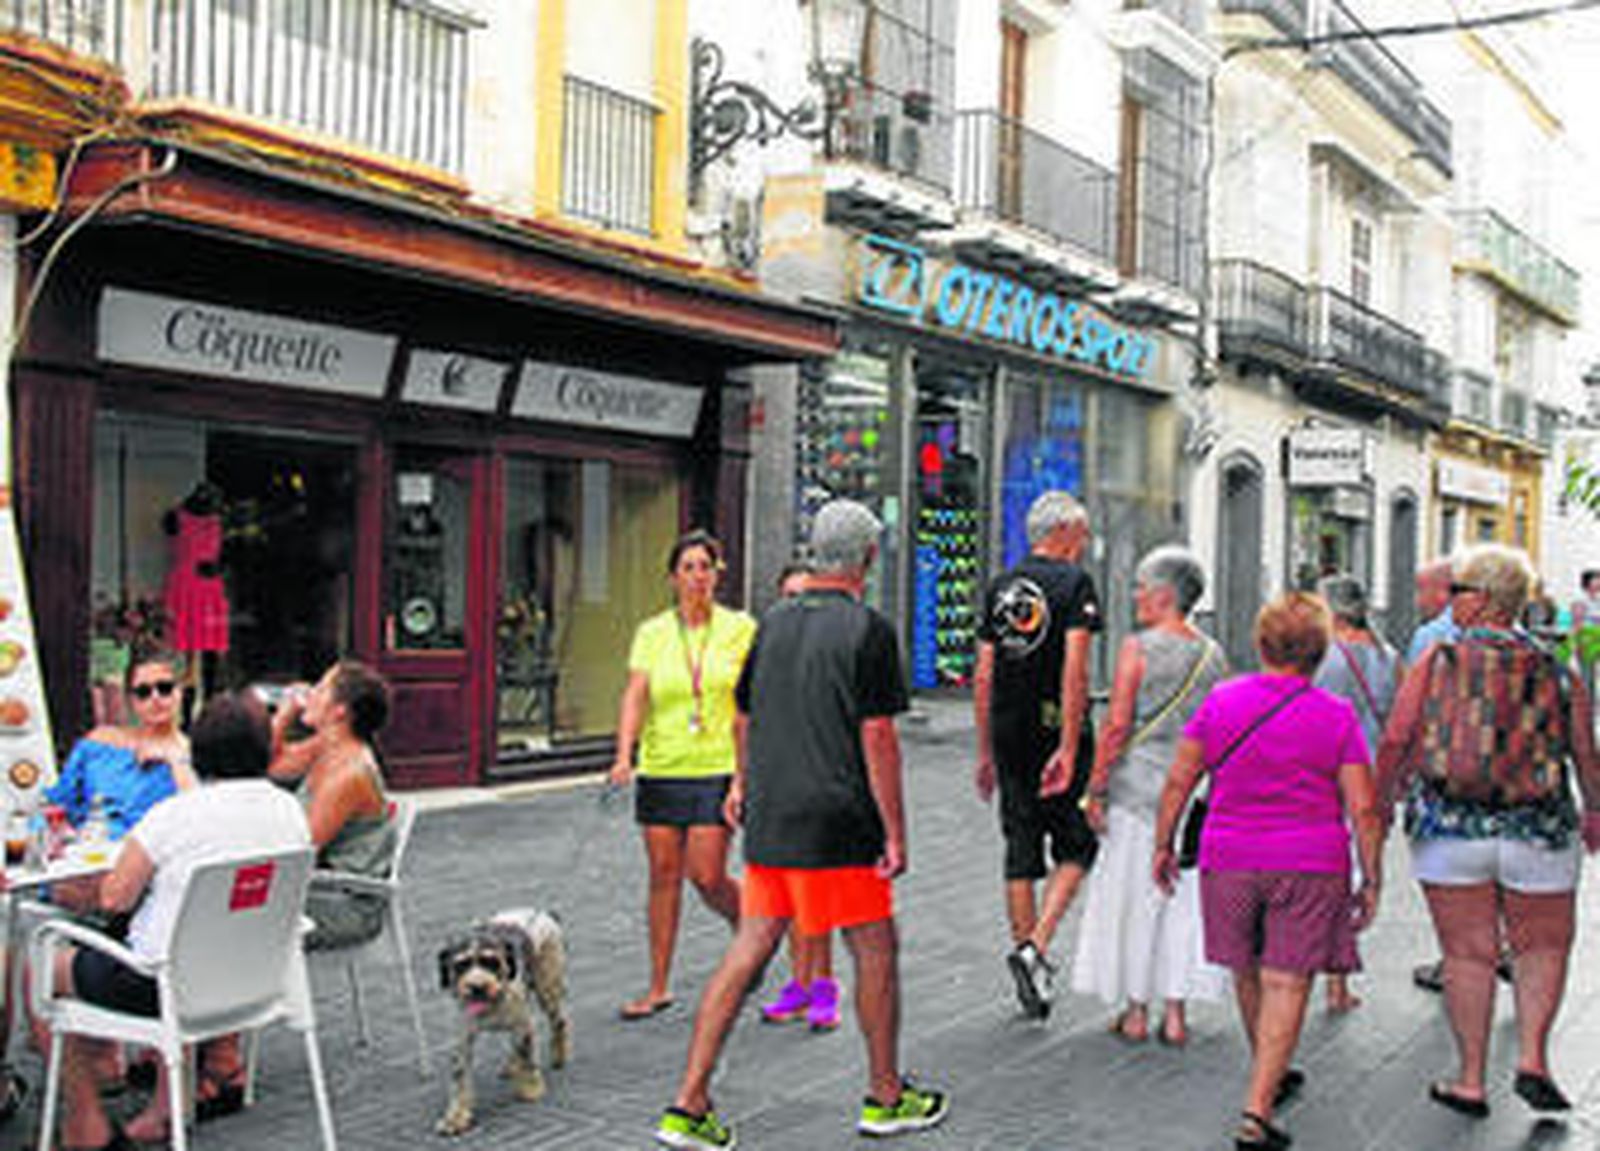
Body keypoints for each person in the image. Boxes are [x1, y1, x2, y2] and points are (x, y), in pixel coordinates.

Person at [654, 500, 948, 1150]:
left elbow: (743, 717)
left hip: (775, 814)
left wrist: (743, 784)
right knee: (875, 949)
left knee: (749, 947)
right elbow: (878, 737)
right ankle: (886, 1095)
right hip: (839, 818)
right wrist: (895, 832)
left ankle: (688, 1102)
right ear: (867, 557)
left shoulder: (773, 623)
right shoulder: (869, 630)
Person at [1376, 544, 1600, 1119]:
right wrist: (1594, 810)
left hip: (1451, 828)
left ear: (1481, 599)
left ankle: (1471, 1080)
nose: (1452, 601)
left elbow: (1397, 736)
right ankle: (1532, 1058)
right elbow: (1584, 750)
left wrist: (1379, 801)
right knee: (1543, 946)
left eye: (1458, 591)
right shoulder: (1557, 667)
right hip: (1540, 828)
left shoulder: (1438, 659)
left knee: (1467, 954)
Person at [1153, 593, 1381, 1151]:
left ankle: (1268, 1069)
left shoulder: (1221, 702)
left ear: (1261, 644)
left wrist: (1163, 843)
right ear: (1320, 652)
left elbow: (1180, 779)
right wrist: (1372, 876)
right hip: (1309, 863)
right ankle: (1257, 1108)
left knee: (1248, 968)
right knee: (1289, 979)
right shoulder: (1335, 715)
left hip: (1229, 858)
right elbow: (1363, 807)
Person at [32, 692, 309, 1151]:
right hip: (258, 980)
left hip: (168, 987)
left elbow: (114, 898)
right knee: (177, 932)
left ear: (198, 750)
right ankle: (165, 1108)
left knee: (43, 966)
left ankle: (85, 1124)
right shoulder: (288, 811)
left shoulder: (174, 817)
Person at [1071, 545, 1228, 1045]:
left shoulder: (1137, 649)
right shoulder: (1213, 654)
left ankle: (1136, 1011)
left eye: (1140, 587)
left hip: (1137, 791)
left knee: (1136, 898)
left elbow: (1117, 726)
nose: (1134, 595)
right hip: (1190, 795)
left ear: (1163, 594)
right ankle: (1176, 1014)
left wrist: (1095, 789)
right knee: (1181, 903)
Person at [609, 531, 756, 1020]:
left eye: (705, 567)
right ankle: (658, 985)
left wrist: (743, 777)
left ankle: (753, 926)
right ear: (673, 578)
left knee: (707, 875)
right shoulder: (652, 632)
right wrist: (624, 755)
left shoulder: (740, 628)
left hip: (718, 767)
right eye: (688, 568)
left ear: (718, 573)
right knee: (663, 877)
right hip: (662, 766)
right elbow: (635, 694)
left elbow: (752, 701)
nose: (697, 576)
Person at [974, 490, 1101, 1019]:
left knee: (1020, 846)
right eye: (1083, 532)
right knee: (1078, 843)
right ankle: (1036, 946)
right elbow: (1076, 668)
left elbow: (984, 672)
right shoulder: (1075, 584)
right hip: (1054, 726)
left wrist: (985, 749)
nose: (1085, 542)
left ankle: (1032, 971)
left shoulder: (1000, 587)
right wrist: (1069, 744)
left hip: (1009, 728)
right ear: (1064, 531)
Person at [757, 559, 844, 1033]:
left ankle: (824, 988)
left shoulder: (831, 651)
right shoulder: (767, 649)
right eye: (789, 596)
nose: (797, 605)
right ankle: (799, 984)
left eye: (805, 596)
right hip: (778, 782)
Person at [1311, 574, 1401, 1014]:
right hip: (1376, 777)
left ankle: (1324, 974)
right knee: (1353, 878)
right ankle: (1338, 984)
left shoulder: (1328, 658)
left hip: (1332, 777)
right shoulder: (1390, 656)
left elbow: (1315, 719)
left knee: (1328, 876)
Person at [268, 659, 397, 951]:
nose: (310, 692)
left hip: (345, 904)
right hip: (318, 885)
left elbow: (299, 850)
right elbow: (272, 764)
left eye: (321, 688)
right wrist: (285, 714)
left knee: (237, 911)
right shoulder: (327, 746)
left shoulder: (349, 773)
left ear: (340, 711)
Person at [46, 649, 196, 838]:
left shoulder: (191, 752)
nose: (155, 698)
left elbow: (197, 815)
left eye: (164, 688)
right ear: (132, 700)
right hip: (88, 845)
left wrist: (174, 761)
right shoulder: (100, 741)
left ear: (180, 691)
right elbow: (58, 803)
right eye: (143, 692)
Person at [1406, 560, 1458, 665]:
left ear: (1443, 590)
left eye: (1421, 590)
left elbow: (1414, 674)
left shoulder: (1427, 635)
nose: (1418, 601)